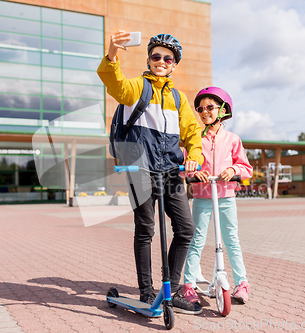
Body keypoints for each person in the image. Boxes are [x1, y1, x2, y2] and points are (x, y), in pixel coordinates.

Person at [97, 31, 204, 314]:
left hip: (170, 170)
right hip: (140, 168)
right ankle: (146, 292)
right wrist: (112, 56)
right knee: (145, 229)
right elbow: (115, 84)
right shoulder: (137, 88)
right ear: (148, 59)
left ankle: (173, 289)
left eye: (167, 58)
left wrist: (194, 156)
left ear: (174, 64)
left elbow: (192, 134)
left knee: (185, 229)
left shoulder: (178, 99)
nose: (161, 61)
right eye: (156, 56)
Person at [182, 87, 253, 305]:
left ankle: (242, 283)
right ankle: (188, 284)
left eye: (210, 107)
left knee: (231, 240)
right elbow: (186, 166)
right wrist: (195, 172)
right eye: (200, 109)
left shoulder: (233, 139)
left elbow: (246, 168)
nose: (204, 112)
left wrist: (233, 170)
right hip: (203, 197)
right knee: (197, 240)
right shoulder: (196, 139)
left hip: (226, 197)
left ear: (223, 110)